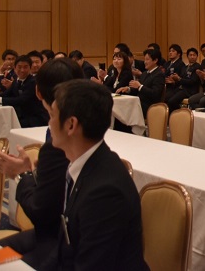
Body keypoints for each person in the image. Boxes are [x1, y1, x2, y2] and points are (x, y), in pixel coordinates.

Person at [0, 58, 84, 268]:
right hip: (59, 231)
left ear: (38, 92)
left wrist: (22, 174)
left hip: (66, 244)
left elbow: (42, 213)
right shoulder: (85, 128)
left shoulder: (61, 142)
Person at [41, 79, 147, 270]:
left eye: (52, 115)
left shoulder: (105, 192)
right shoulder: (85, 163)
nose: (49, 123)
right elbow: (67, 245)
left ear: (71, 125)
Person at [0, 55, 47, 127]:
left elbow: (21, 100)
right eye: (19, 67)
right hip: (20, 116)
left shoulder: (33, 82)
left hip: (33, 119)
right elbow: (6, 94)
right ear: (15, 68)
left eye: (25, 67)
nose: (22, 70)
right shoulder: (16, 80)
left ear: (30, 68)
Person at [119, 47, 164, 117]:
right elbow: (138, 88)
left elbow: (155, 93)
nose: (145, 62)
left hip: (150, 106)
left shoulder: (159, 74)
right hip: (139, 103)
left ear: (155, 60)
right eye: (144, 59)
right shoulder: (145, 73)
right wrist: (128, 89)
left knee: (123, 109)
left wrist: (140, 86)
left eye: (147, 59)